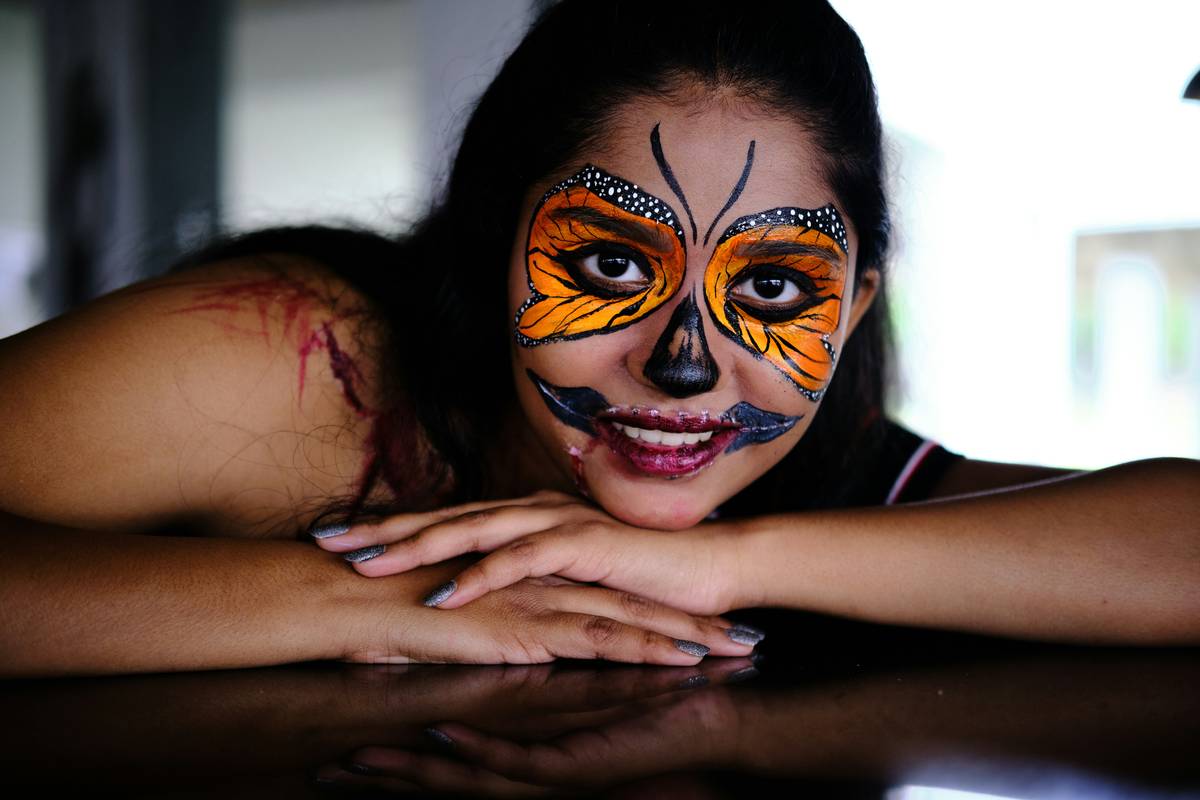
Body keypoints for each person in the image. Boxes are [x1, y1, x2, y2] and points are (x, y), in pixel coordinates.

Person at [1, 0, 1196, 678]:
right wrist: (380, 598)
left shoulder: (818, 476)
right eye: (613, 263)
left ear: (859, 305)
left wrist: (730, 564)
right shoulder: (302, 362)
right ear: (490, 245)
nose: (685, 362)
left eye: (776, 286)